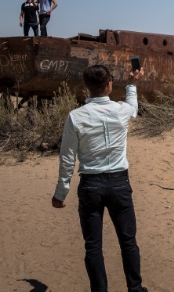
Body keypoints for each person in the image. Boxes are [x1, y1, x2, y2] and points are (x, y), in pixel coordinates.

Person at [52, 65, 148, 292]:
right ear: (110, 84)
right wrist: (132, 83)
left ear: (86, 86)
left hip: (90, 186)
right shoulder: (121, 111)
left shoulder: (75, 117)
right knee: (128, 242)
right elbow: (133, 107)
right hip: (119, 183)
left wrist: (60, 193)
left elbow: (67, 159)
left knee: (93, 247)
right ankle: (135, 289)